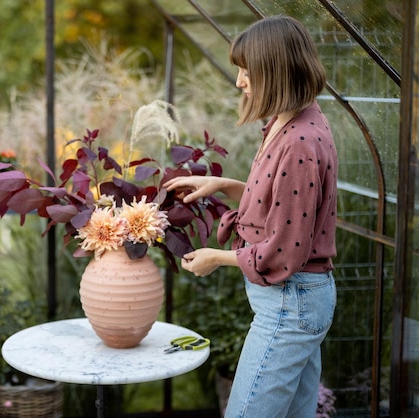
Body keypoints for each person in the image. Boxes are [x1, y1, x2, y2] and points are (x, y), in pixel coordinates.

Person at [164, 15, 338, 418]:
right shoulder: (290, 120)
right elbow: (288, 206)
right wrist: (223, 185)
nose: (240, 81)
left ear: (275, 72)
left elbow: (283, 248)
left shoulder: (298, 140)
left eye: (247, 71)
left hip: (289, 303)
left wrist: (216, 258)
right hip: (295, 301)